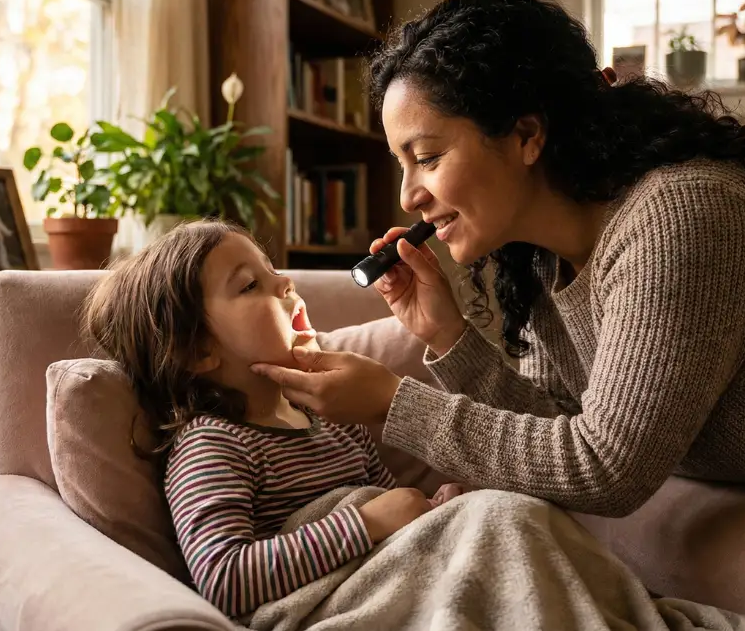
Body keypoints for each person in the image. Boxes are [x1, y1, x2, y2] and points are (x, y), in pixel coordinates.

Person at [249, 0, 745, 630]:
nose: (408, 194)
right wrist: (446, 335)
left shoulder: (683, 216)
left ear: (528, 134)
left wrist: (394, 404)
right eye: (401, 163)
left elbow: (606, 468)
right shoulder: (535, 257)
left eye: (428, 156)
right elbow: (562, 436)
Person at [80, 219, 465, 620]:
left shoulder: (337, 420)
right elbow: (223, 580)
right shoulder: (211, 444)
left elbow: (397, 508)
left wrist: (434, 509)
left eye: (272, 269)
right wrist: (364, 523)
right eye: (250, 284)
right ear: (198, 351)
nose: (284, 283)